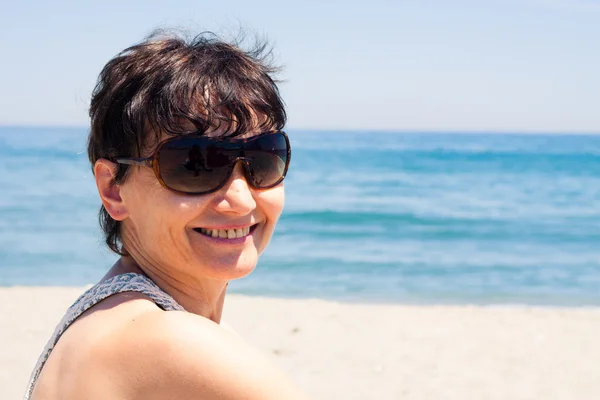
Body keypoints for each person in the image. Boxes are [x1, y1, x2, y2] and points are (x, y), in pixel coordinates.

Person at [24, 30, 308, 400]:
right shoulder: (171, 342)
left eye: (262, 158)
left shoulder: (111, 318)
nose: (241, 199)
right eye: (195, 164)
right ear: (113, 188)